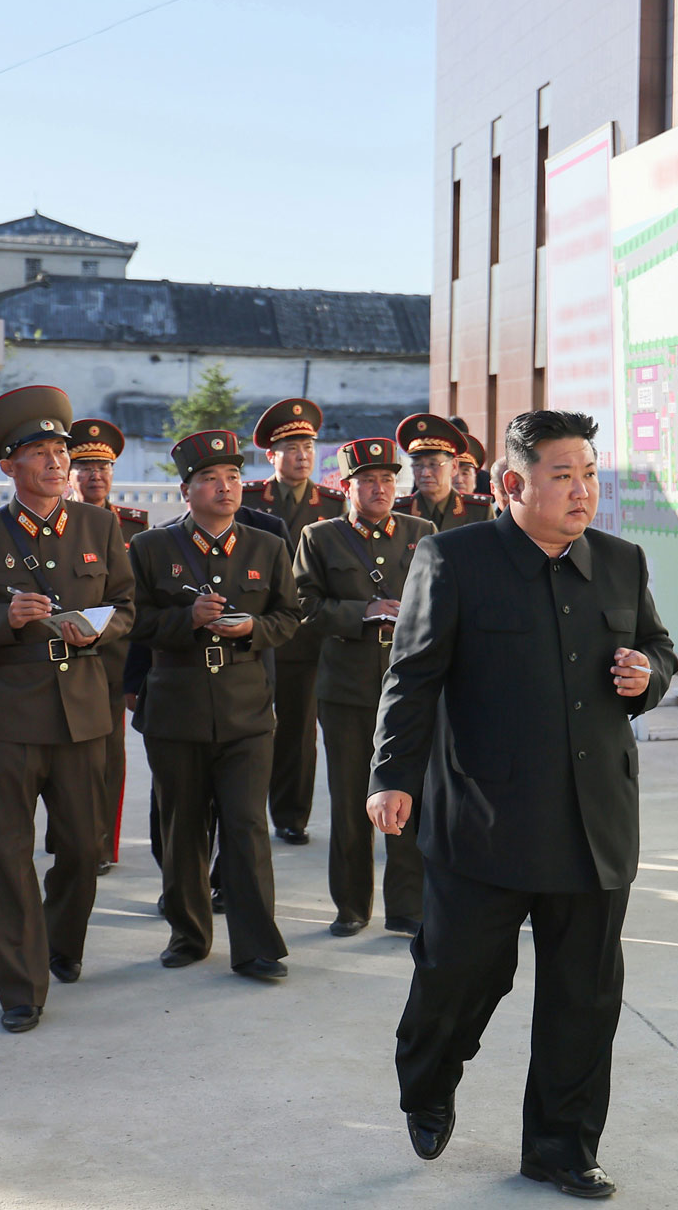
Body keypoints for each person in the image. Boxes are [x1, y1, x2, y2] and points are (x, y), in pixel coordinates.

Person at [367, 409, 675, 1196]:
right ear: (513, 483)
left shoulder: (621, 562)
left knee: (586, 995)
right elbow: (413, 676)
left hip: (594, 820)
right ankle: (428, 1079)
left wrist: (651, 675)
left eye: (591, 473)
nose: (583, 491)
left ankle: (561, 1146)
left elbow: (659, 648)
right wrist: (392, 775)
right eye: (564, 475)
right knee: (461, 975)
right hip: (486, 818)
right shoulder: (453, 559)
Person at [0, 386, 135, 1033]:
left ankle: (59, 941)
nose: (57, 463)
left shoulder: (100, 526)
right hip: (13, 718)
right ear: (8, 466)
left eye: (61, 451)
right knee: (8, 851)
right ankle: (20, 986)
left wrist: (101, 629)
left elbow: (129, 607)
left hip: (84, 714)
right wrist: (3, 617)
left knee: (81, 847)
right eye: (41, 453)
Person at [129, 429, 300, 980]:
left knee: (247, 827)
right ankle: (188, 933)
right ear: (186, 490)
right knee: (182, 826)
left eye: (232, 478)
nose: (224, 488)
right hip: (175, 706)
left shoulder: (267, 546)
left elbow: (291, 617)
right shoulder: (150, 548)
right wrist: (187, 620)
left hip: (247, 708)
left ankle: (256, 947)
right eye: (210, 479)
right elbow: (131, 622)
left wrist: (254, 627)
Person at [294, 437, 432, 939]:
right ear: (346, 487)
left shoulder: (422, 532)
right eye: (369, 481)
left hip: (409, 689)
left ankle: (407, 906)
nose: (380, 489)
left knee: (410, 797)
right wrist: (363, 611)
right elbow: (301, 609)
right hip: (347, 688)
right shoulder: (321, 536)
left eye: (388, 479)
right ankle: (351, 906)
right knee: (352, 799)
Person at [244, 398, 341, 846]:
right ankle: (245, 812)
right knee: (249, 730)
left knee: (299, 734)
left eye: (308, 446)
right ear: (272, 455)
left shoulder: (335, 504)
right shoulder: (246, 501)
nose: (303, 455)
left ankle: (290, 815)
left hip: (305, 638)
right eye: (292, 447)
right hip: (252, 633)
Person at [68, 419, 147, 874]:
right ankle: (70, 832)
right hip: (61, 656)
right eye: (85, 466)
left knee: (108, 757)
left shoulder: (133, 525)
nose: (95, 475)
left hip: (115, 659)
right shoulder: (53, 522)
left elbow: (141, 601)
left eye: (104, 466)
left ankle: (101, 842)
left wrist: (139, 673)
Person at [394, 414, 495, 532]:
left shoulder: (479, 512)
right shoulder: (399, 512)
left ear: (453, 466)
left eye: (433, 464)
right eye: (418, 465)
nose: (425, 473)